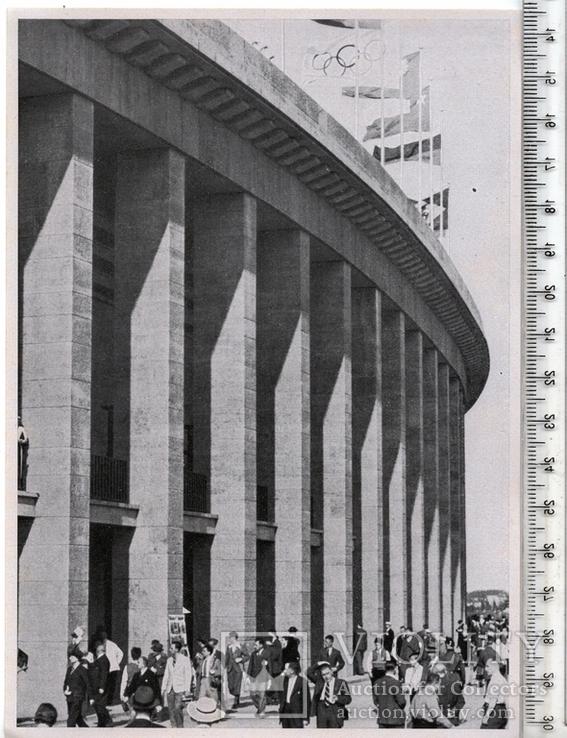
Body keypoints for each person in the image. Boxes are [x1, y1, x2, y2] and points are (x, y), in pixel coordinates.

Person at [310, 663, 352, 728]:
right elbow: (308, 672)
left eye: (327, 673)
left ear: (332, 672)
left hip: (334, 710)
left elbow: (348, 699)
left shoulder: (341, 683)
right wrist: (318, 664)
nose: (326, 677)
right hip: (322, 709)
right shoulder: (319, 682)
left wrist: (338, 698)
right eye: (323, 675)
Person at [162, 640, 193, 728]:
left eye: (171, 648)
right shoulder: (169, 660)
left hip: (180, 688)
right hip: (170, 688)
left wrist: (187, 689)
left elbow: (188, 674)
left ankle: (180, 726)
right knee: (171, 709)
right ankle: (173, 727)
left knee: (177, 708)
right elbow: (166, 674)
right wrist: (163, 688)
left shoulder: (185, 660)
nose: (169, 649)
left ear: (177, 649)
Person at [372, 660, 406, 729]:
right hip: (396, 719)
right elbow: (402, 701)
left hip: (383, 719)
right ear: (395, 669)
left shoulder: (377, 682)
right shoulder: (395, 683)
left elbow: (375, 701)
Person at [279, 661, 311, 728]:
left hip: (297, 713)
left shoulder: (302, 681)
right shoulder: (284, 681)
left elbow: (306, 701)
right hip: (285, 711)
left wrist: (305, 718)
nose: (284, 671)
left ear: (292, 671)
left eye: (286, 669)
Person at [89, 643, 113, 728]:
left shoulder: (103, 660)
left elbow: (104, 674)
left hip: (100, 687)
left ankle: (105, 721)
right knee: (98, 705)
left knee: (99, 705)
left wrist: (102, 687)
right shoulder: (100, 660)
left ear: (97, 651)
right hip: (97, 687)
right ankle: (103, 721)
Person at [481, 659, 509, 729]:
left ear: (494, 667)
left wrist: (487, 716)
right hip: (502, 711)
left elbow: (493, 700)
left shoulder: (495, 680)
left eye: (488, 666)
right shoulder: (502, 679)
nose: (485, 669)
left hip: (494, 712)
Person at [63, 654, 89, 727]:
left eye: (72, 656)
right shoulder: (69, 669)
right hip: (69, 697)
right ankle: (87, 730)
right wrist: (65, 690)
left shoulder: (82, 670)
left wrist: (91, 697)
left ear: (77, 658)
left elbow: (87, 684)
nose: (70, 658)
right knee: (77, 718)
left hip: (78, 697)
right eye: (70, 656)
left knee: (71, 718)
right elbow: (66, 682)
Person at [247, 637, 270, 717]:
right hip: (253, 677)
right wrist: (248, 677)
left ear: (261, 645)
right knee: (252, 694)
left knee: (262, 695)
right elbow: (250, 665)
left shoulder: (267, 653)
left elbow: (270, 666)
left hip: (263, 678)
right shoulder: (253, 654)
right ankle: (260, 708)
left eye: (256, 645)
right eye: (254, 645)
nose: (254, 646)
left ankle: (262, 711)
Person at [100, 631, 123, 704]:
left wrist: (116, 662)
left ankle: (109, 701)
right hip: (106, 668)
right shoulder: (101, 645)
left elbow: (121, 653)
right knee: (106, 684)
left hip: (112, 668)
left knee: (111, 685)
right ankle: (105, 701)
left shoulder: (112, 645)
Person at [225, 631, 245, 709]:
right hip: (230, 668)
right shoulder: (229, 646)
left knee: (237, 684)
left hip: (238, 668)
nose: (229, 639)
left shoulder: (241, 646)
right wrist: (224, 666)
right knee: (230, 686)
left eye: (230, 637)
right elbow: (227, 657)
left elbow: (247, 656)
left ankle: (236, 700)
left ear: (234, 637)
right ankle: (236, 696)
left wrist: (241, 659)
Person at [120, 647, 142, 713]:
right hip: (140, 689)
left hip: (130, 689)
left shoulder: (127, 666)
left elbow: (124, 681)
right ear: (140, 655)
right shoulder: (141, 666)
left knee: (132, 709)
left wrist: (122, 694)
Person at [18, 416, 29, 491]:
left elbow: (26, 439)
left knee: (19, 465)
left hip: (18, 446)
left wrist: (21, 441)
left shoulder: (21, 429)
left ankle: (20, 484)